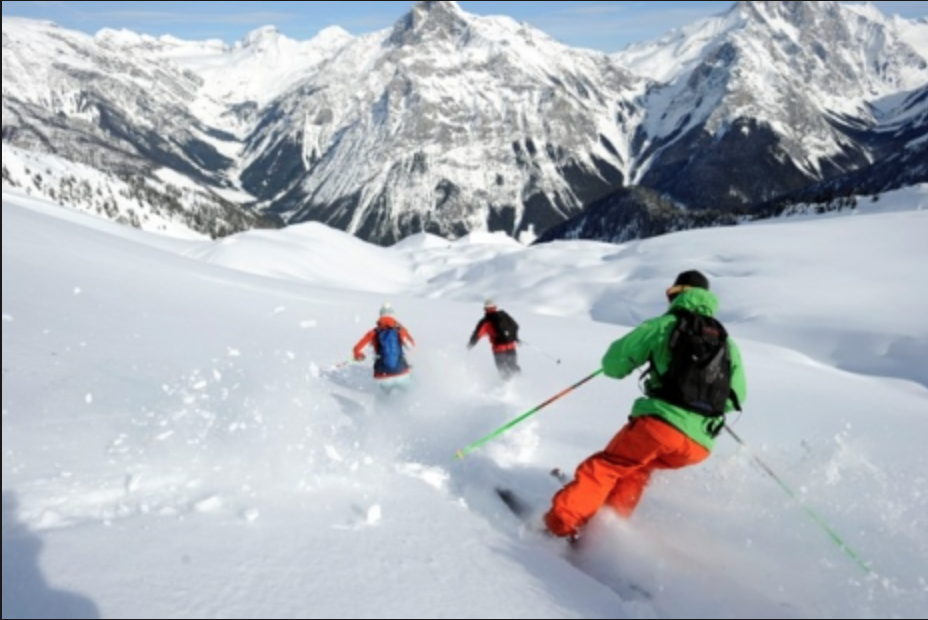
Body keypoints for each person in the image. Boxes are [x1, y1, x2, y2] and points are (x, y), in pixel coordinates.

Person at [543, 270, 747, 539]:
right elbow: (737, 397)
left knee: (607, 467)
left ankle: (560, 524)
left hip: (660, 425)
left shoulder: (665, 325)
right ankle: (606, 530)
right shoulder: (726, 341)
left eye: (671, 294)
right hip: (698, 445)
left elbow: (613, 364)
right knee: (636, 469)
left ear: (677, 294)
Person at [353, 303, 416, 392]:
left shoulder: (374, 332)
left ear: (380, 316)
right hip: (401, 373)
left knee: (384, 399)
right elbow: (411, 346)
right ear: (393, 316)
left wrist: (359, 355)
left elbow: (357, 349)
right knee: (411, 390)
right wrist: (403, 332)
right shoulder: (400, 330)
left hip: (382, 375)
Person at [467, 299, 522, 381]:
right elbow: (515, 326)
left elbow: (476, 335)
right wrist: (515, 338)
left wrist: (469, 346)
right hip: (511, 346)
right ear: (495, 307)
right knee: (513, 366)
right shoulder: (503, 315)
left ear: (485, 309)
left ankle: (508, 388)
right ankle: (520, 381)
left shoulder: (485, 322)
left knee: (503, 370)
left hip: (499, 349)